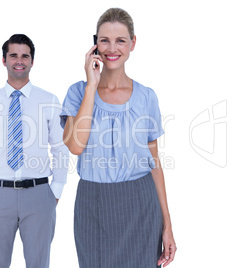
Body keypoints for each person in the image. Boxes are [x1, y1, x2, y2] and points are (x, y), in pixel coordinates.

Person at [60, 8, 176, 268]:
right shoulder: (78, 92)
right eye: (104, 40)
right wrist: (92, 84)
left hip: (141, 203)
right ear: (95, 44)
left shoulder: (147, 97)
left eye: (120, 40)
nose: (112, 48)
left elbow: (154, 163)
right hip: (94, 203)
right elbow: (75, 146)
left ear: (133, 43)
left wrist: (167, 225)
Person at [0, 34, 69, 268]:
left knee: (38, 263)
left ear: (32, 62)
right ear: (3, 60)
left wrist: (55, 189)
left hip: (39, 194)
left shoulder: (49, 100)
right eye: (13, 55)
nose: (19, 60)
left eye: (25, 56)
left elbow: (60, 148)